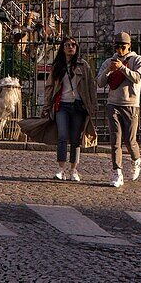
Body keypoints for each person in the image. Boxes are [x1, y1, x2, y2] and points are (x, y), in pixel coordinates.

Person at [43, 37, 97, 181]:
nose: (70, 47)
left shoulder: (83, 65)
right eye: (67, 45)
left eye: (73, 45)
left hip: (79, 106)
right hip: (62, 106)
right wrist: (47, 105)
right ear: (62, 48)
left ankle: (74, 170)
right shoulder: (58, 66)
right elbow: (49, 87)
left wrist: (92, 105)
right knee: (62, 136)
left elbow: (91, 86)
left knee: (75, 138)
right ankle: (61, 169)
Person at [97, 31, 141, 188]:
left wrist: (122, 68)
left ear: (129, 46)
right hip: (113, 104)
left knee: (130, 141)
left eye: (123, 47)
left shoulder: (138, 60)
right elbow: (100, 82)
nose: (120, 50)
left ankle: (136, 160)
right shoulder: (109, 62)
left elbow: (137, 78)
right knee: (115, 140)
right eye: (117, 46)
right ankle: (117, 172)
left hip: (131, 104)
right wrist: (109, 70)